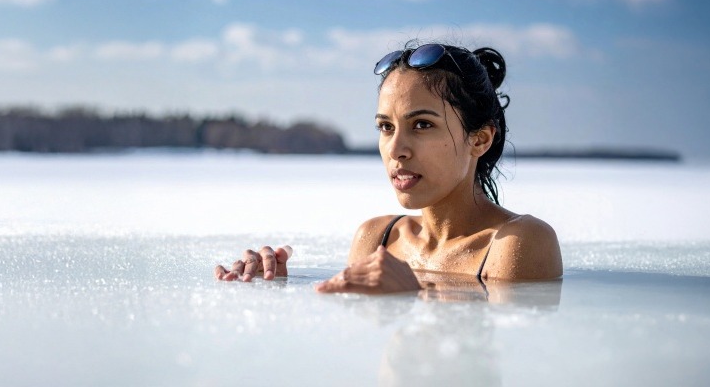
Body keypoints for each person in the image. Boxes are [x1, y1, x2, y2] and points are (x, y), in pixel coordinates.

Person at [214, 43, 563, 294]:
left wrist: (413, 294)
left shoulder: (518, 242)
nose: (396, 149)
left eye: (422, 125)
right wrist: (274, 286)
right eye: (386, 127)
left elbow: (502, 350)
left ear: (480, 139)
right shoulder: (377, 238)